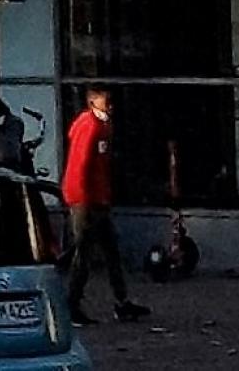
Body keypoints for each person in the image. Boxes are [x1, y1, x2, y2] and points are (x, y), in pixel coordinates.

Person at [61, 83, 149, 326]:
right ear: (93, 101)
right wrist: (83, 200)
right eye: (105, 100)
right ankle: (72, 304)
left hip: (96, 199)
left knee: (109, 250)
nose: (110, 105)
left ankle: (121, 302)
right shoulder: (90, 127)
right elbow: (80, 166)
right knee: (84, 253)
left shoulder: (102, 125)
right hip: (87, 200)